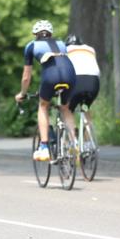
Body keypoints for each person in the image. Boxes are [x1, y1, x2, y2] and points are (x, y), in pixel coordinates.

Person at [14, 20, 77, 161]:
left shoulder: (31, 46)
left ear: (35, 34)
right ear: (51, 33)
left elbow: (26, 77)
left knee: (43, 106)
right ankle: (74, 144)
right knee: (66, 108)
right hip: (70, 74)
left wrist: (22, 94)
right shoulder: (61, 44)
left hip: (51, 76)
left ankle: (43, 147)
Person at [64, 34, 100, 137]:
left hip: (77, 80)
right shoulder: (90, 49)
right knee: (85, 108)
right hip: (94, 82)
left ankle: (73, 140)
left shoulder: (65, 49)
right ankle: (89, 142)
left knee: (67, 109)